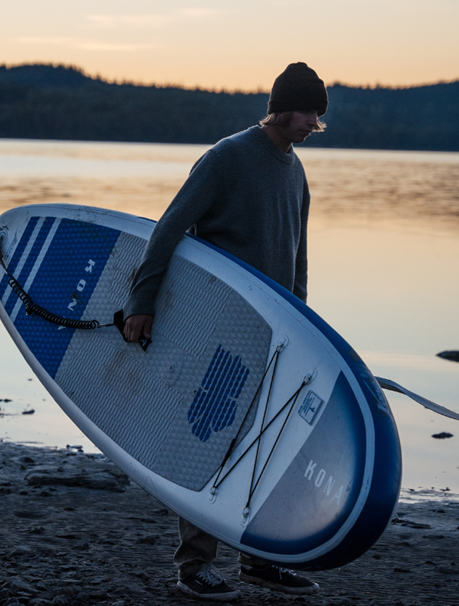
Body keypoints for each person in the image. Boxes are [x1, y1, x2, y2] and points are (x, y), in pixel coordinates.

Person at [121, 62, 327, 601]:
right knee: (210, 441)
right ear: (282, 108)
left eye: (318, 114)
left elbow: (298, 257)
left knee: (267, 447)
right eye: (307, 111)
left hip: (279, 333)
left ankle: (261, 557)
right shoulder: (227, 157)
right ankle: (195, 566)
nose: (313, 122)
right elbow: (168, 228)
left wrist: (301, 324)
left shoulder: (296, 172)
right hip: (222, 326)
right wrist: (142, 300)